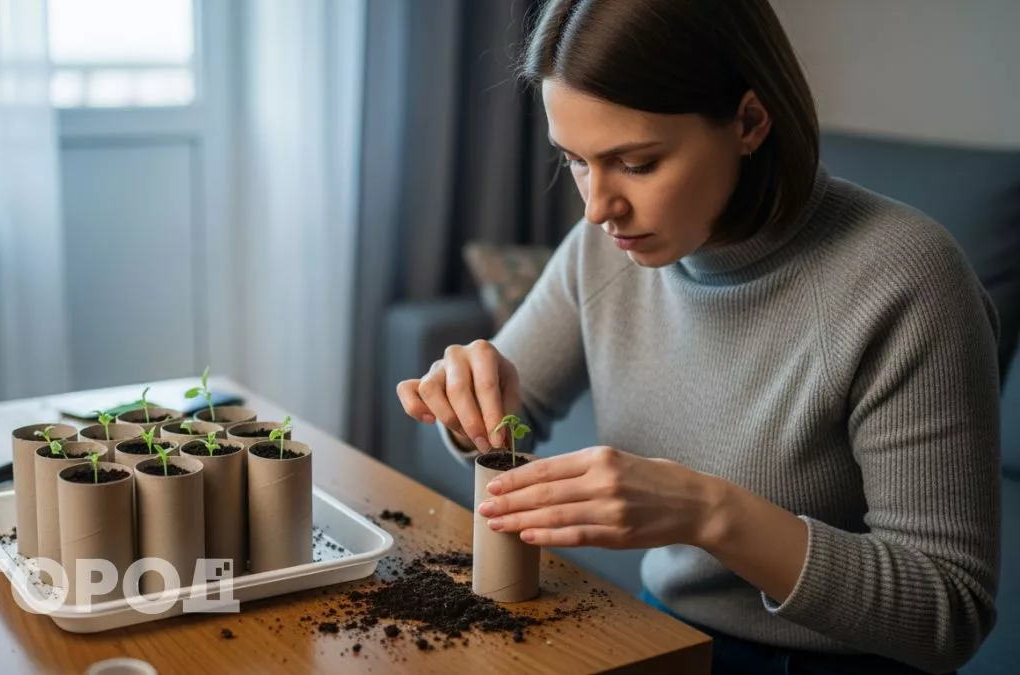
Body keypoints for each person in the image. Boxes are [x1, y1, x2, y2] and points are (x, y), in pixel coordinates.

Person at [394, 1, 1001, 673]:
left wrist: (709, 513)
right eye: (576, 161)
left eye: (637, 163)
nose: (598, 208)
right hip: (662, 633)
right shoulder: (604, 252)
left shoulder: (907, 279)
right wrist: (467, 400)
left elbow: (950, 610)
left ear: (749, 120)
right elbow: (511, 421)